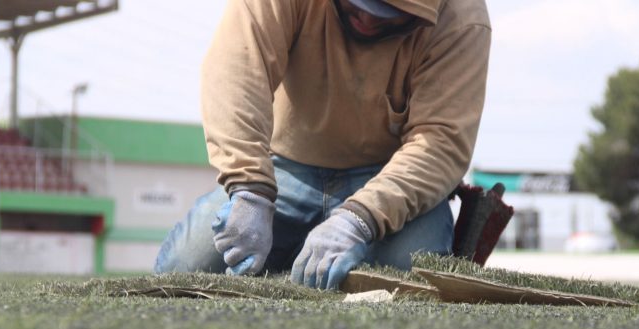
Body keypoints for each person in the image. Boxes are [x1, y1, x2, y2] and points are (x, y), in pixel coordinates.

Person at [155, 0, 491, 289]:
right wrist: (249, 188)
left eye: (387, 10)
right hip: (281, 170)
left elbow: (441, 141)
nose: (367, 17)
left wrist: (359, 219)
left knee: (414, 278)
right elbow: (237, 74)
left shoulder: (461, 18)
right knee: (183, 268)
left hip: (390, 180)